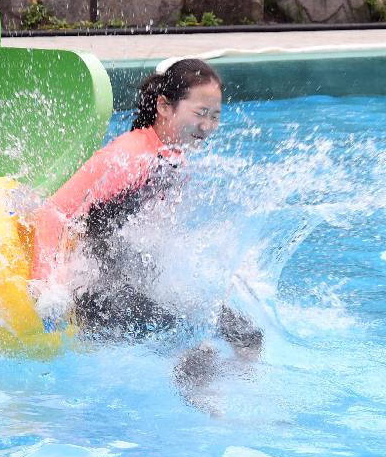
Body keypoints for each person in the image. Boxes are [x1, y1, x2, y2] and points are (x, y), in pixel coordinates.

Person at [29, 59, 263, 357]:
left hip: (126, 277)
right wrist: (48, 285)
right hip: (92, 292)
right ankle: (207, 403)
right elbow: (52, 212)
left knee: (246, 333)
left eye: (215, 116)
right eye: (200, 113)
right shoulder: (130, 156)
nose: (207, 126)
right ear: (165, 107)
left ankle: (241, 396)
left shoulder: (175, 159)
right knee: (195, 344)